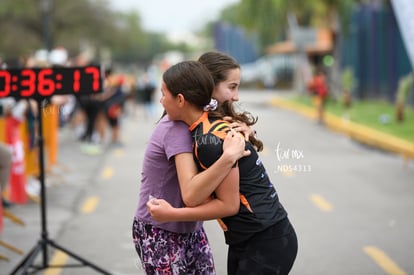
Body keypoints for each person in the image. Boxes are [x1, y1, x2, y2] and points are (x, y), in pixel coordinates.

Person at [147, 61, 298, 275]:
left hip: (265, 239)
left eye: (163, 94)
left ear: (180, 99)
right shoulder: (205, 128)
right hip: (249, 238)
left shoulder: (209, 141)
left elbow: (228, 206)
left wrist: (172, 213)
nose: (161, 101)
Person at [132, 89, 250, 274]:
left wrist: (246, 130)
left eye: (164, 93)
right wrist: (228, 158)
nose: (236, 95)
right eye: (232, 86)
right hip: (160, 229)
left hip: (189, 228)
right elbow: (191, 195)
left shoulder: (202, 124)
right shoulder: (175, 129)